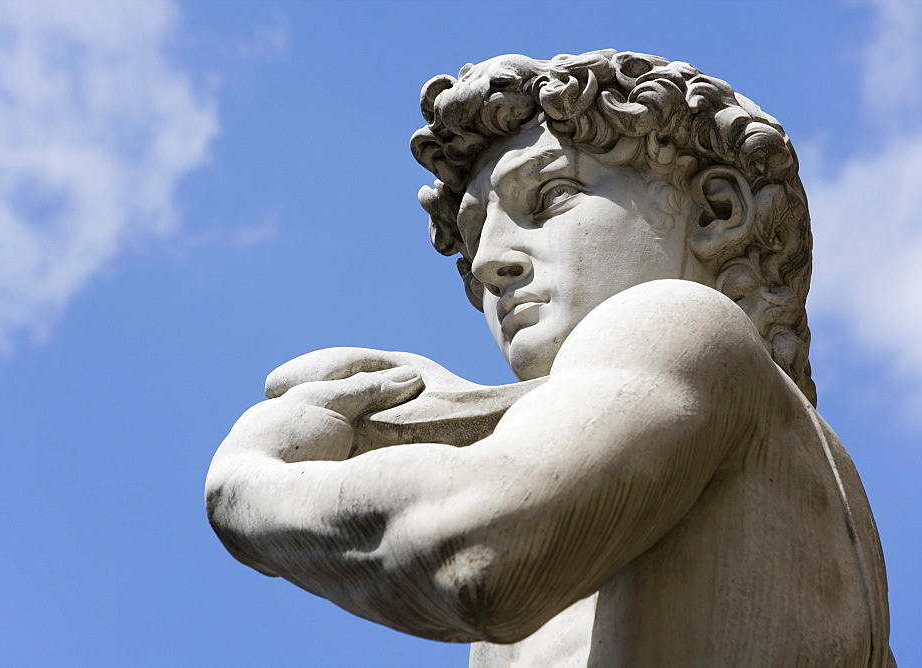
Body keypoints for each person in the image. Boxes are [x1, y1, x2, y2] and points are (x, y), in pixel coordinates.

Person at [205, 50, 894, 665]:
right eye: (474, 238)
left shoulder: (683, 320)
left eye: (551, 197)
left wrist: (250, 485)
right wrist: (444, 410)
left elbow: (477, 551)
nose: (492, 262)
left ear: (714, 211)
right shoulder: (797, 483)